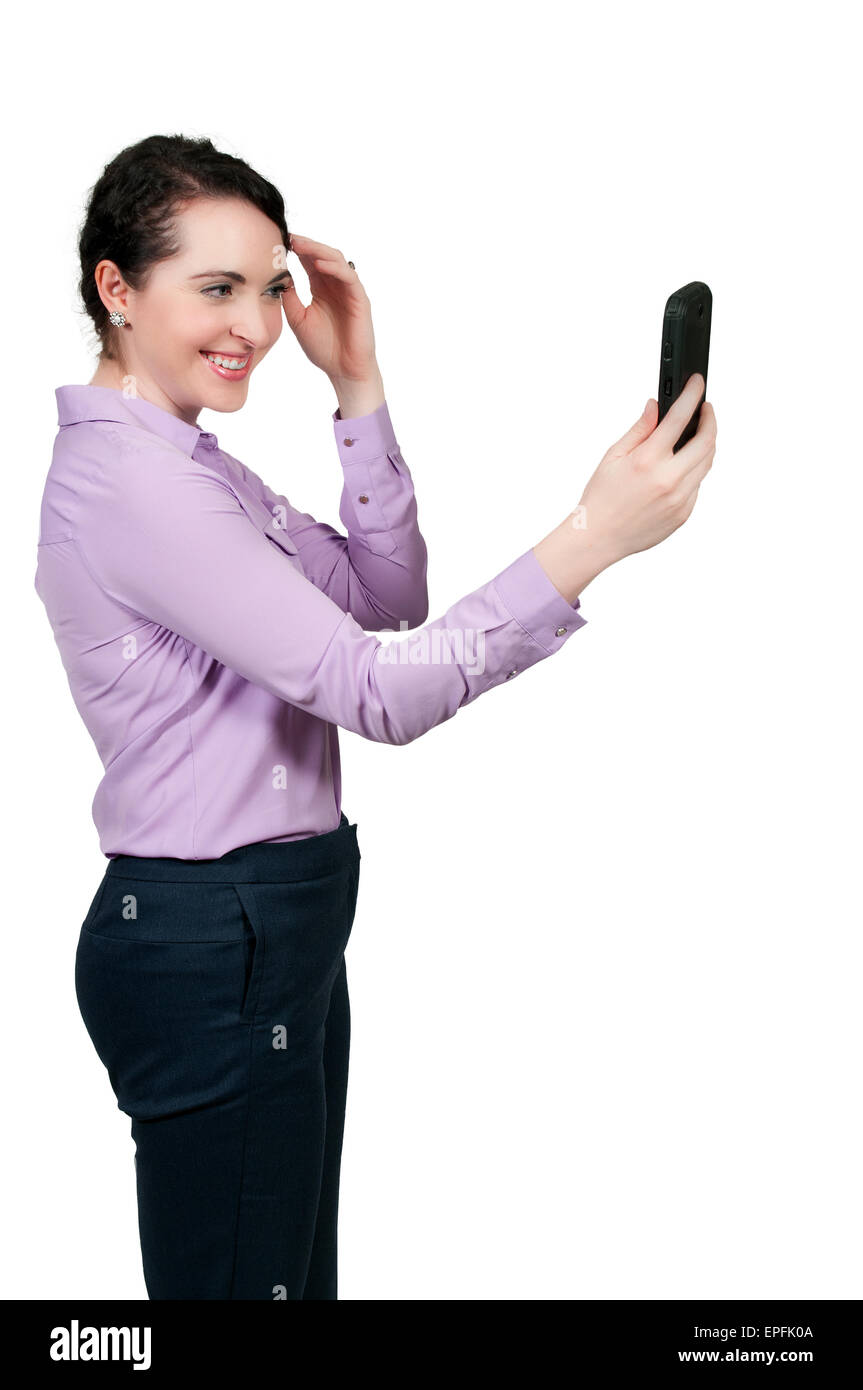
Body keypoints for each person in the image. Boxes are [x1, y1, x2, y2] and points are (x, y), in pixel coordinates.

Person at [34, 134, 717, 1301]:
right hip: (211, 936)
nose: (251, 322)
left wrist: (355, 387)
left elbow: (385, 597)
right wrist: (589, 538)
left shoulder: (194, 464)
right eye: (214, 287)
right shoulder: (135, 485)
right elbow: (373, 687)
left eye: (266, 285)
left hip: (269, 927)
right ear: (115, 287)